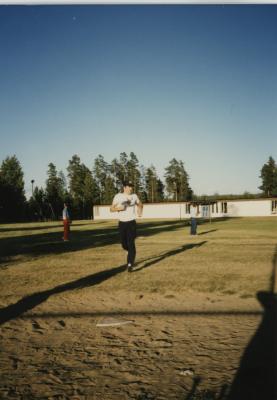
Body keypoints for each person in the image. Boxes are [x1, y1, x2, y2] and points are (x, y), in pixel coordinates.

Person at [110, 180, 143, 272]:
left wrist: (140, 210)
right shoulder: (118, 196)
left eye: (131, 186)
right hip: (122, 223)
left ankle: (130, 264)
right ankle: (129, 251)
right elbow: (111, 209)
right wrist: (118, 208)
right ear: (124, 187)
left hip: (131, 223)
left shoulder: (134, 196)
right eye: (129, 186)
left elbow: (140, 204)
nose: (131, 188)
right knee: (124, 244)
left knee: (131, 243)